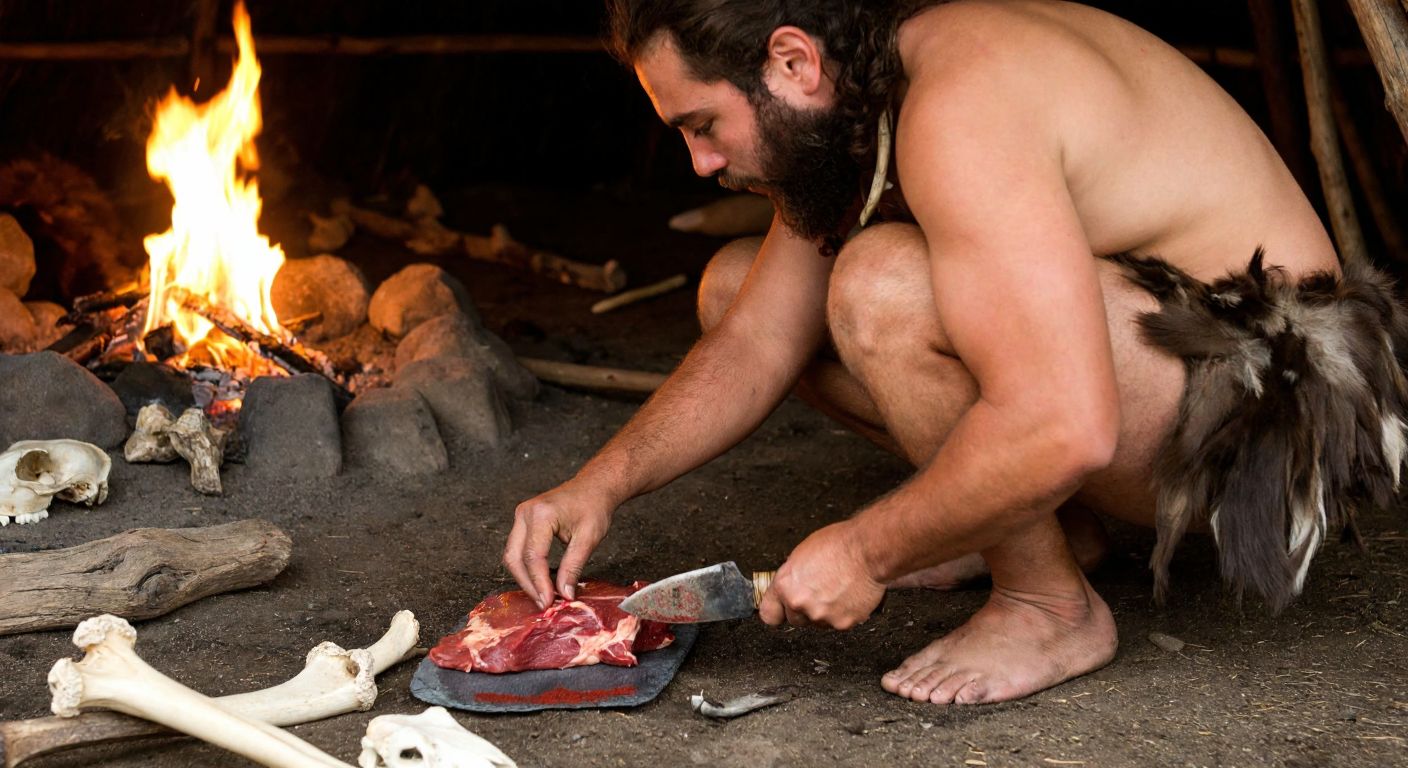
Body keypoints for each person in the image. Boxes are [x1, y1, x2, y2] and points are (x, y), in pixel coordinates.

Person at [502, 0, 1408, 705]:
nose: (699, 163)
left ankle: (1047, 607)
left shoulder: (958, 103)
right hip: (1173, 363)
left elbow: (1065, 424)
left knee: (881, 287)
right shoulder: (855, 98)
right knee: (735, 287)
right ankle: (1050, 532)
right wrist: (600, 483)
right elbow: (755, 338)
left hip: (1277, 419)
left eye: (702, 125)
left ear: (791, 61)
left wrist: (865, 552)